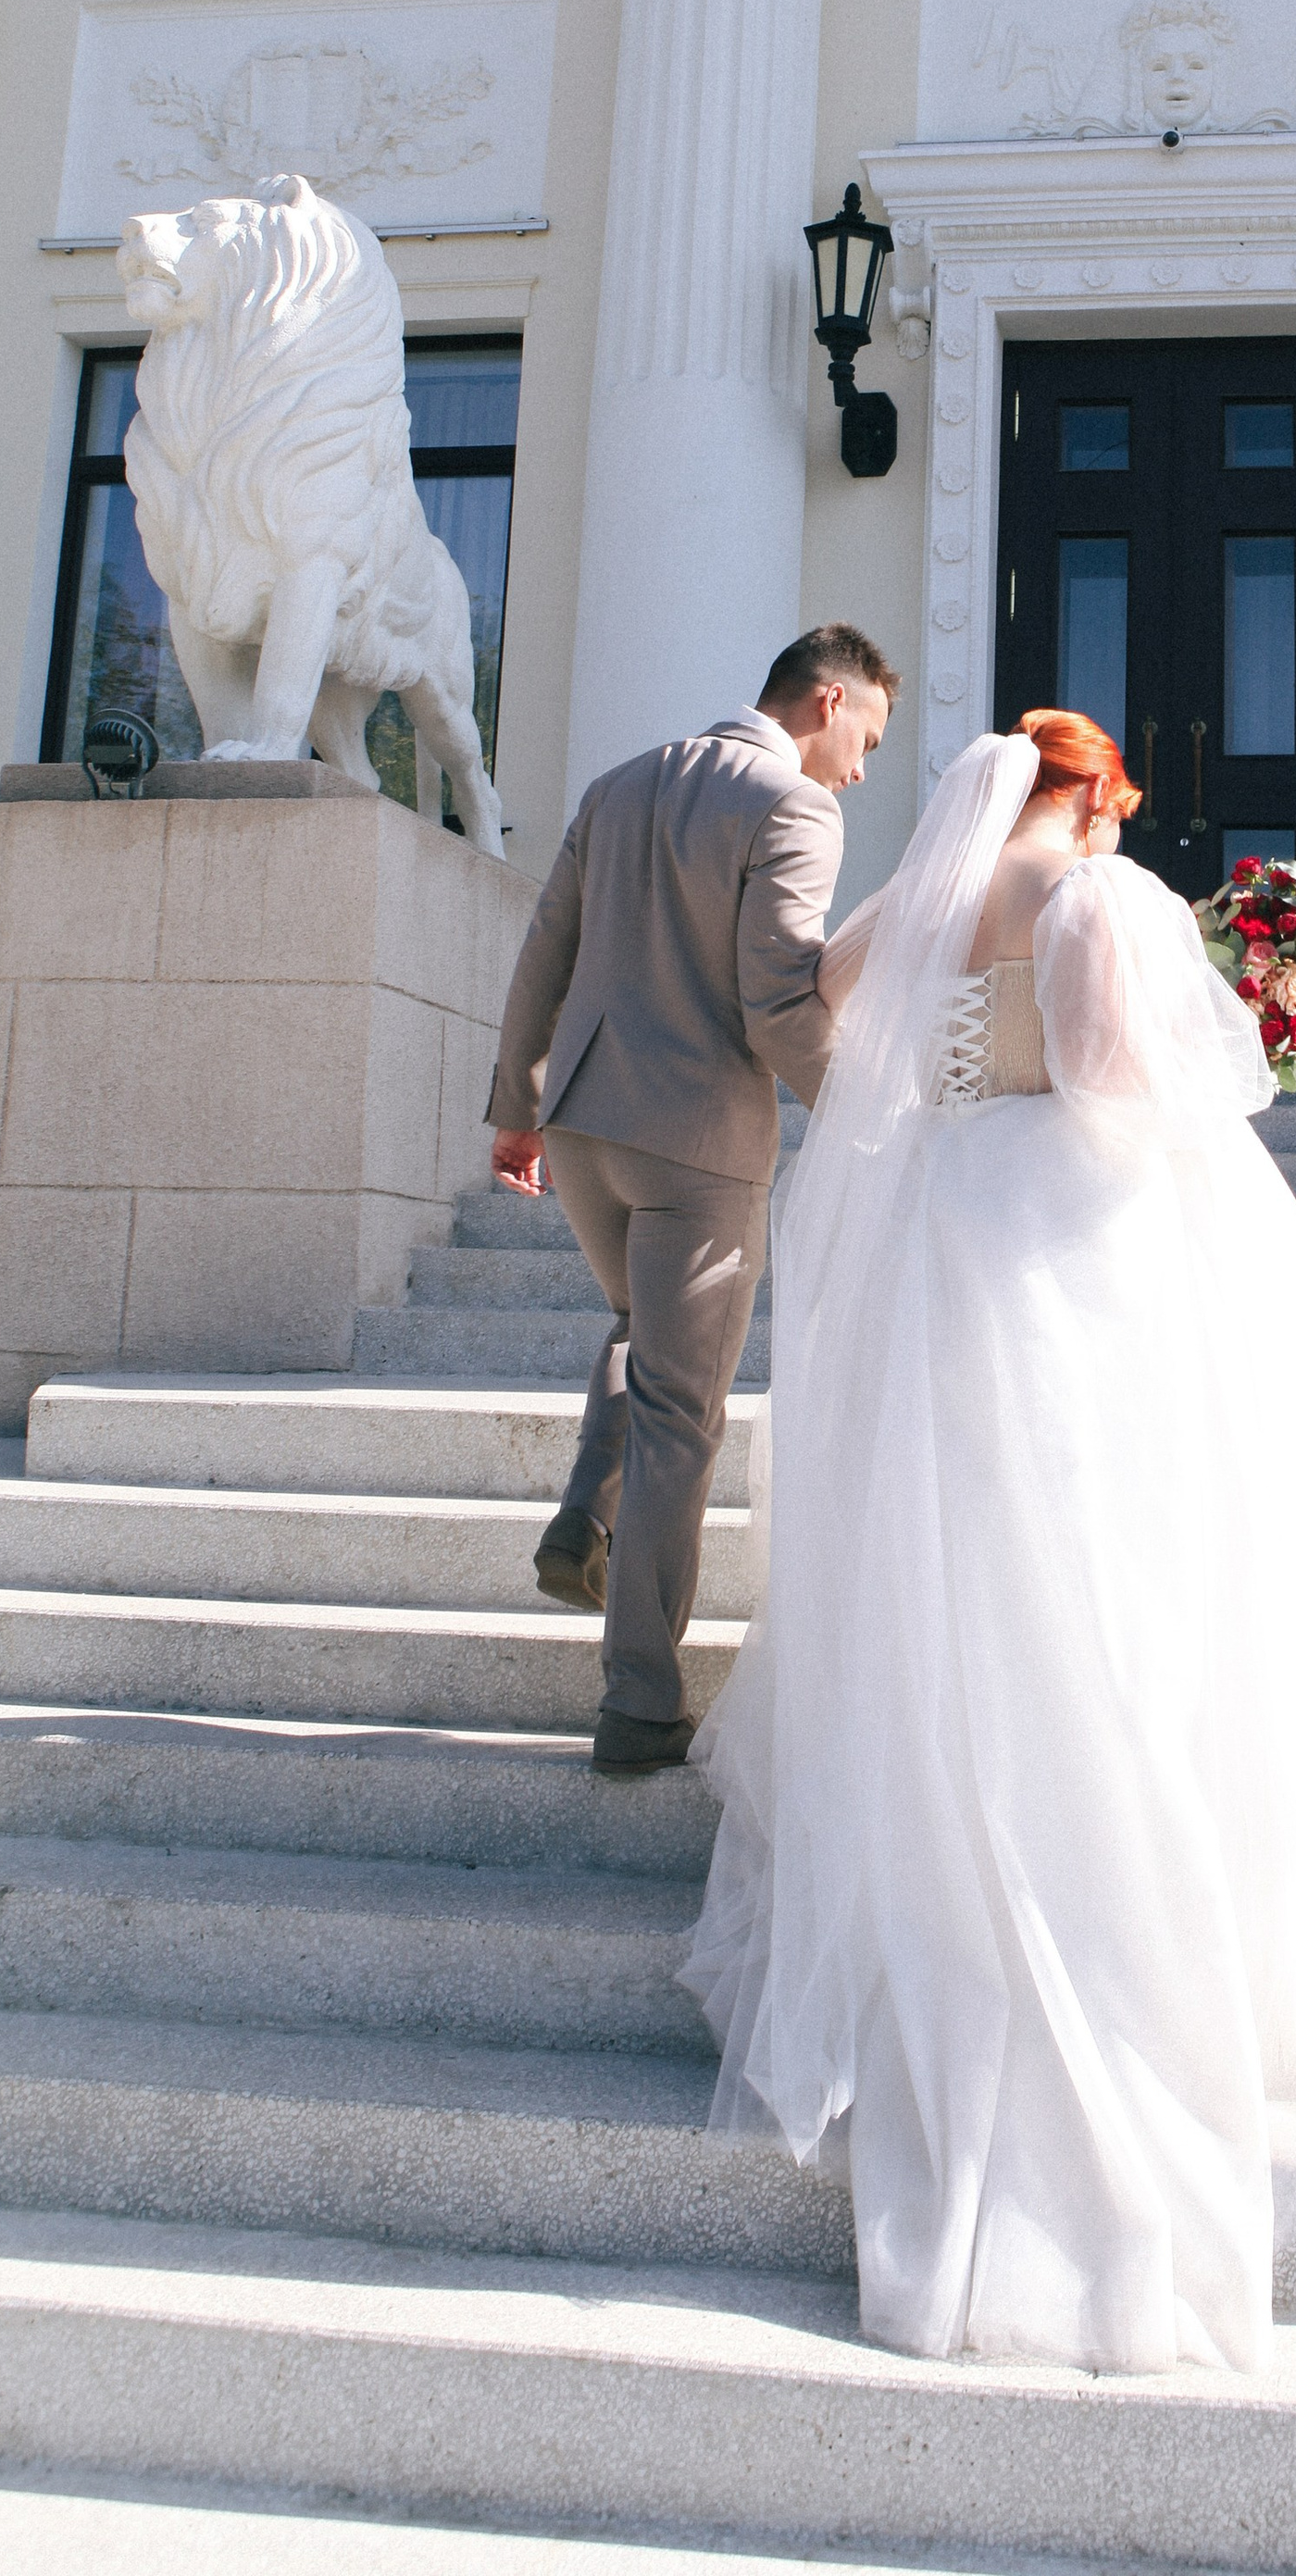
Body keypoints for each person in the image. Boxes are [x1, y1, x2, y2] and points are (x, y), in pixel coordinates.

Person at [681, 709, 1296, 2371]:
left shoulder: (929, 897)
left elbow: (828, 999)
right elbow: (1121, 1075)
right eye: (1114, 806)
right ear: (1097, 797)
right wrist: (1252, 1030)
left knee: (971, 1575)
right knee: (1114, 1568)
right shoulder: (1101, 901)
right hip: (1071, 1235)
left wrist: (951, 1014)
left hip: (947, 1233)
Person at [485, 623, 897, 1775]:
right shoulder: (797, 808)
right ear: (827, 700)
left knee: (638, 1332)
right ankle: (640, 1700)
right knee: (682, 1410)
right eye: (866, 735)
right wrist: (869, 1114)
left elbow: (544, 950)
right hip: (697, 1140)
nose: (861, 767)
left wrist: (516, 1104)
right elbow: (776, 1005)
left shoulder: (620, 783)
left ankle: (587, 1514)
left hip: (582, 1123)